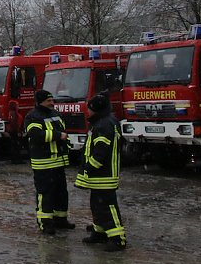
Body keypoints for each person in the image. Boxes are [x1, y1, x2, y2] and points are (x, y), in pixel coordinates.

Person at [75, 93, 127, 252]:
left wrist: (88, 167)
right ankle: (100, 232)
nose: (87, 112)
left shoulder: (103, 125)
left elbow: (101, 153)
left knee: (107, 206)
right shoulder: (104, 122)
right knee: (97, 205)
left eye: (89, 109)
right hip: (101, 175)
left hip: (103, 175)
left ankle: (118, 238)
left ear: (96, 109)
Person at [25, 90, 74, 235]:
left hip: (58, 162)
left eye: (52, 100)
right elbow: (36, 135)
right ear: (40, 102)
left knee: (61, 193)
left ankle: (61, 220)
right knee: (45, 194)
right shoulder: (32, 117)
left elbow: (64, 131)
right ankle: (45, 223)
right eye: (48, 101)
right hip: (43, 162)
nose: (52, 103)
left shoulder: (55, 114)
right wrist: (59, 136)